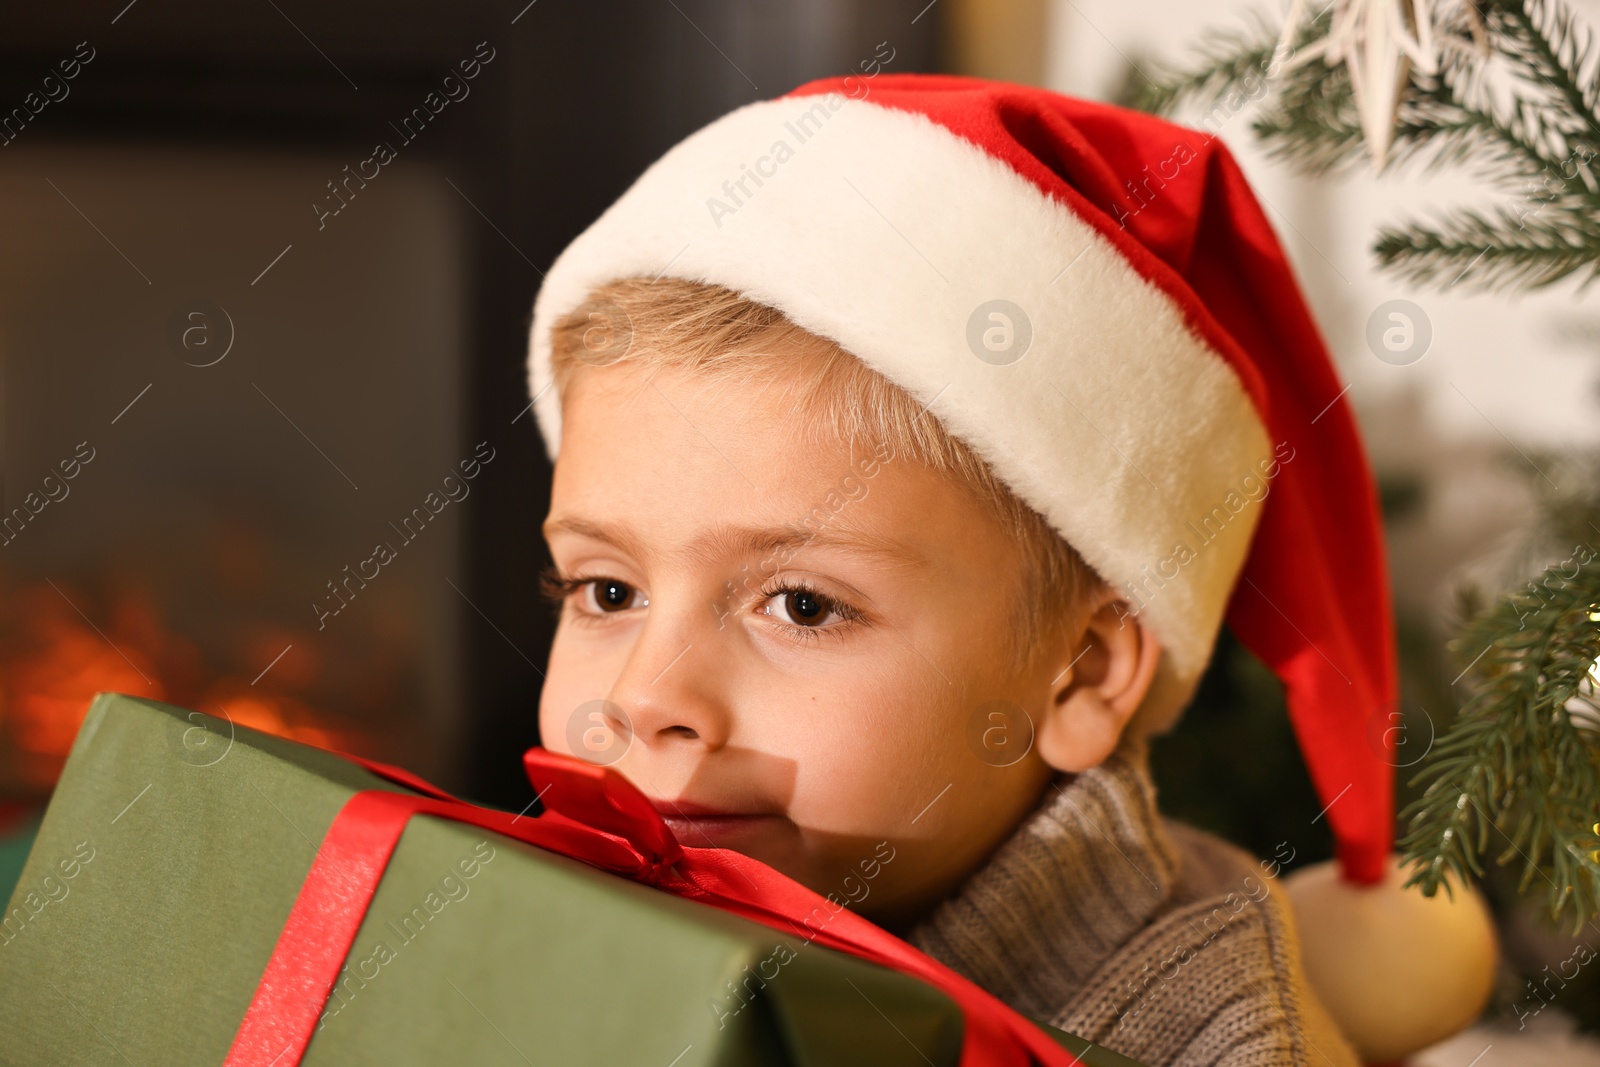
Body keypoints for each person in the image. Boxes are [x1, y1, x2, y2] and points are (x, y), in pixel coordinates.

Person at [521, 74, 1480, 1066]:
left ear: (1081, 671)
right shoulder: (594, 902)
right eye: (607, 591)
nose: (644, 697)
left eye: (802, 604)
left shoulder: (1204, 1036)